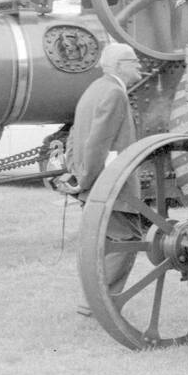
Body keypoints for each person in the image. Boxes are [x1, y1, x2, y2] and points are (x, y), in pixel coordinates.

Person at [66, 42, 143, 303]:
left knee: (106, 243)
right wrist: (87, 180)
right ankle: (99, 302)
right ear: (120, 66)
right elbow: (98, 142)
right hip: (112, 188)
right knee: (127, 241)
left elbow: (75, 136)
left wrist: (78, 176)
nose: (140, 65)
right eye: (135, 61)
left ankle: (96, 300)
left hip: (96, 185)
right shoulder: (115, 93)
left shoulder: (94, 90)